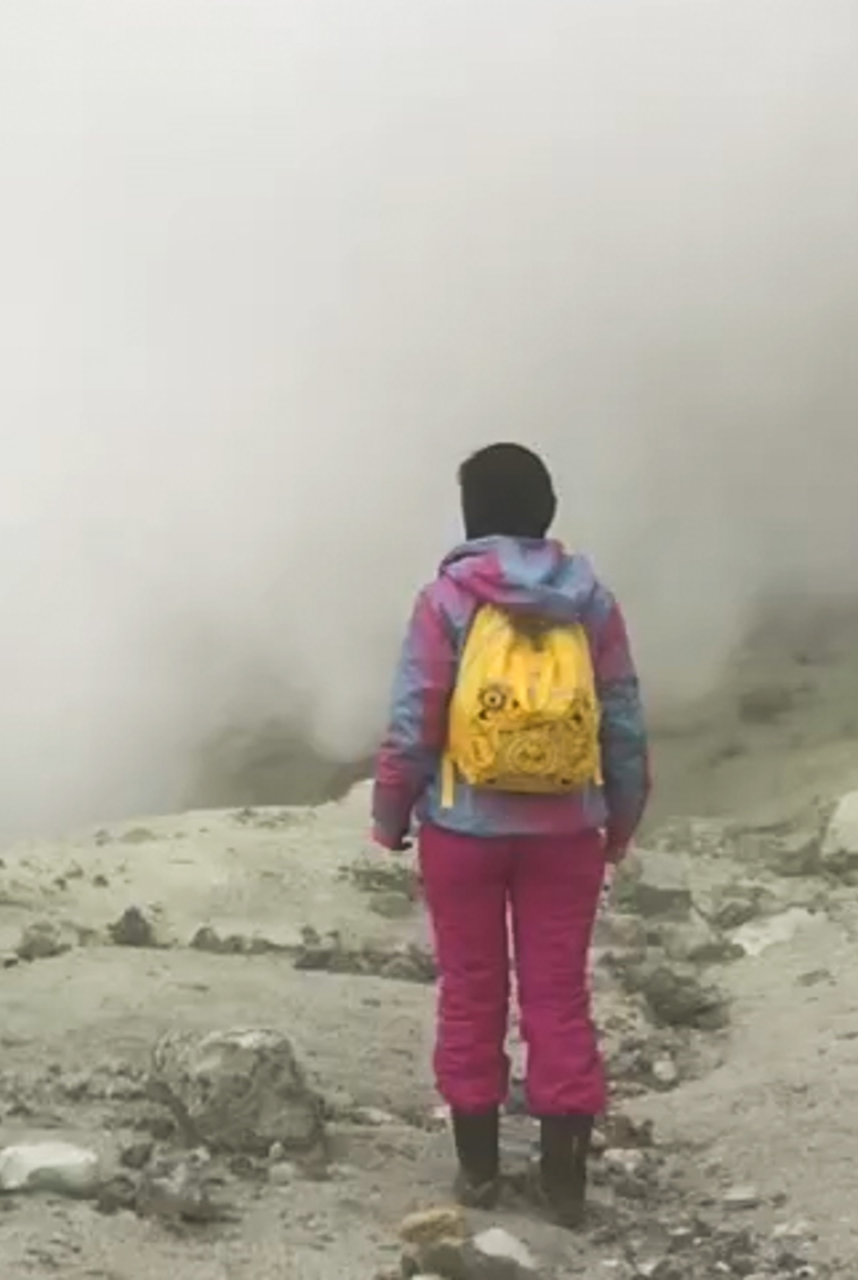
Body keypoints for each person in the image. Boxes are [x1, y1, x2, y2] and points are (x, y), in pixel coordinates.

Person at [370, 442, 651, 1229]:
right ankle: (565, 1185)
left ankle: (480, 1173)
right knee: (559, 994)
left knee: (471, 991)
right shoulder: (591, 604)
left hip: (462, 831)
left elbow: (414, 721)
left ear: (470, 516)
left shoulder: (445, 602)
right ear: (546, 511)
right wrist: (621, 817)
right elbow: (623, 720)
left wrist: (390, 815)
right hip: (568, 831)